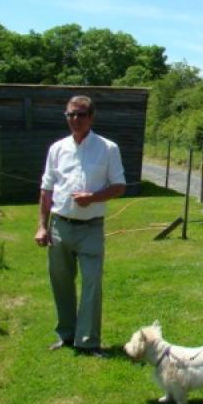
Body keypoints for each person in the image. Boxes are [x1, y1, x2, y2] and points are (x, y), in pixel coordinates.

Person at [34, 95, 126, 358]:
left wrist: (93, 198)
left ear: (91, 117)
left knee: (92, 282)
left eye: (81, 114)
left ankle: (88, 340)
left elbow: (119, 186)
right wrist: (42, 226)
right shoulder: (57, 149)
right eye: (70, 114)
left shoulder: (108, 148)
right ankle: (66, 334)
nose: (75, 119)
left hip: (91, 227)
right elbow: (46, 189)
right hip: (60, 225)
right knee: (61, 282)